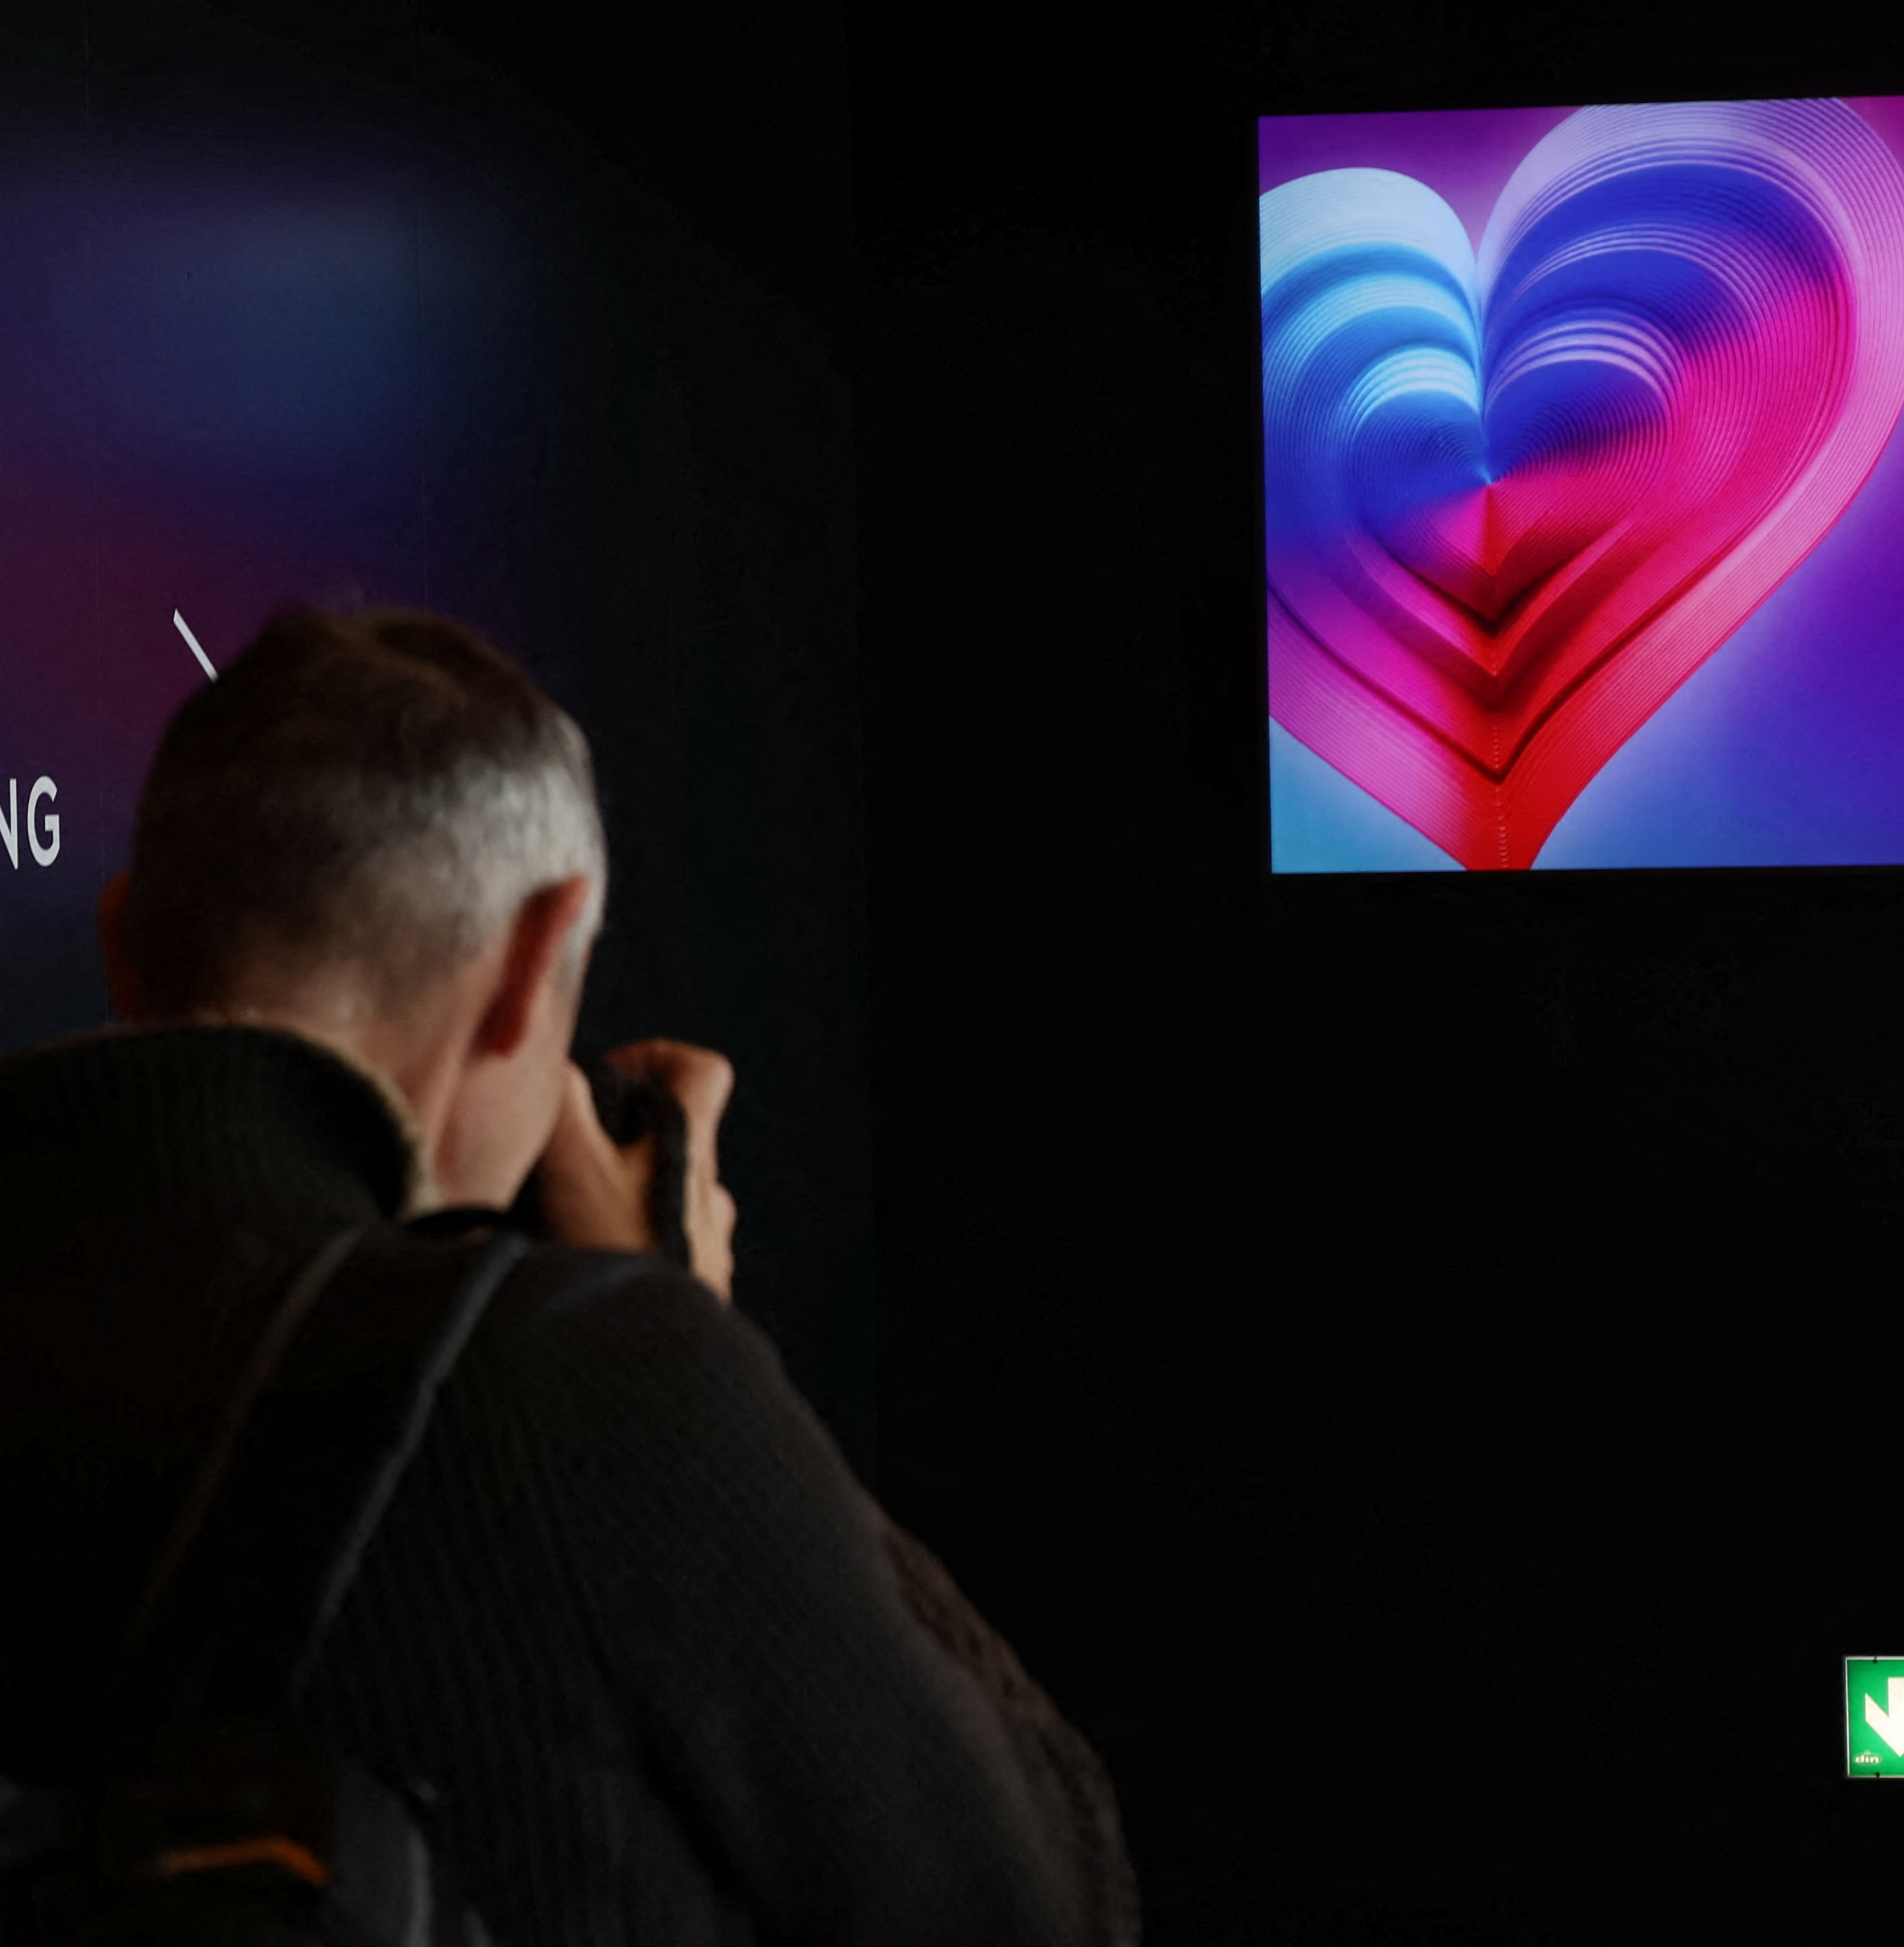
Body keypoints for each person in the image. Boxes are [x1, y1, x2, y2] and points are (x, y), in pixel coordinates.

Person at [0, 607, 1133, 1945]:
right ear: (540, 959)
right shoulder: (582, 1377)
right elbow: (1051, 1903)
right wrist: (695, 1346)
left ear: (126, 944)